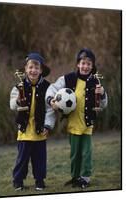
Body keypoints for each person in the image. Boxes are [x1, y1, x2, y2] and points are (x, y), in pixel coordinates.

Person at [44, 48, 108, 189]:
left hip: (87, 125)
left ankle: (85, 178)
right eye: (82, 63)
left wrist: (102, 94)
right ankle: (75, 177)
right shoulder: (68, 79)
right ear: (78, 64)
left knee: (86, 153)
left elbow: (103, 104)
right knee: (74, 154)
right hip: (73, 124)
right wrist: (50, 100)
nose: (85, 67)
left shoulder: (95, 82)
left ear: (92, 67)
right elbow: (52, 88)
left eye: (88, 64)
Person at [10, 52, 50, 191]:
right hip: (25, 130)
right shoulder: (18, 86)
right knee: (22, 159)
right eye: (31, 67)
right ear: (26, 69)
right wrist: (17, 100)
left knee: (39, 159)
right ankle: (18, 181)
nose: (33, 70)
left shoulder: (47, 87)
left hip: (40, 130)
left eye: (37, 68)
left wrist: (48, 125)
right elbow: (12, 105)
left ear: (41, 70)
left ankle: (39, 181)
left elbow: (50, 110)